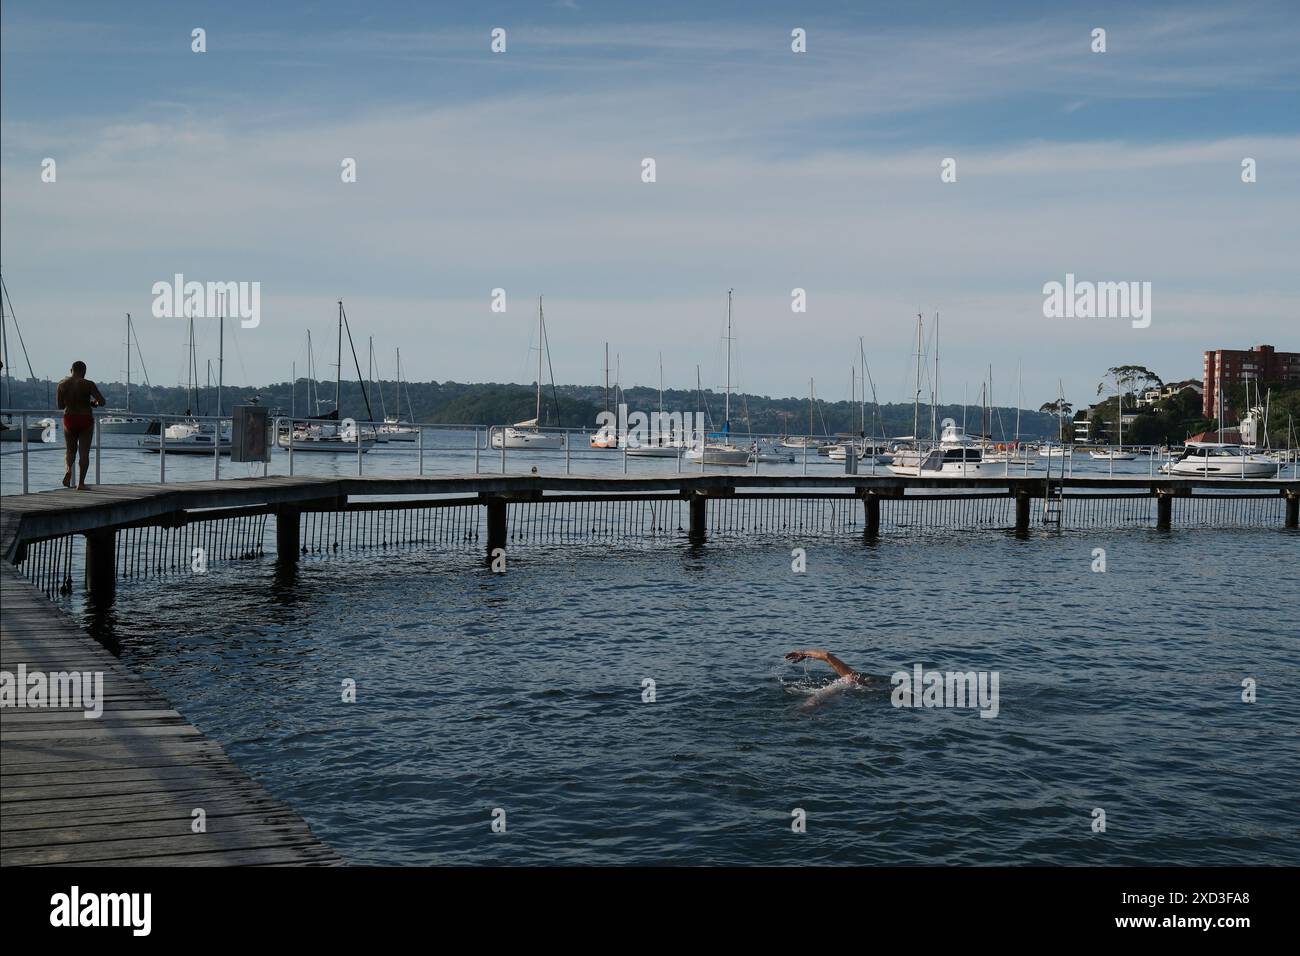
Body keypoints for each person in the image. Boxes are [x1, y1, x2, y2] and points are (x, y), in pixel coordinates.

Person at [55, 361, 106, 490]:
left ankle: (68, 470)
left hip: (69, 418)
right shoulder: (88, 384)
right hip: (85, 419)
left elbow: (60, 406)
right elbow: (102, 401)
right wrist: (92, 403)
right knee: (84, 453)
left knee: (70, 450)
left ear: (71, 370)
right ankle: (81, 483)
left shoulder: (62, 384)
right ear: (84, 371)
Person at [784, 649, 871, 687]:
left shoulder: (853, 676)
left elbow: (826, 656)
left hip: (831, 692)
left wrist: (803, 653)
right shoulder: (856, 679)